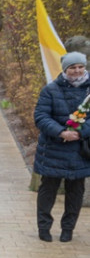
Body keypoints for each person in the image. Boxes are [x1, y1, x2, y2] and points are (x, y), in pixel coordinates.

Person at [33, 51, 90, 242]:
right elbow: (41, 117)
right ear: (65, 69)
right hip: (53, 149)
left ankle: (68, 229)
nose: (77, 71)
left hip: (79, 151)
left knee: (75, 192)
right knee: (48, 190)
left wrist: (80, 132)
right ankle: (44, 227)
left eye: (80, 67)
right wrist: (60, 132)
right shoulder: (50, 90)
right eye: (72, 67)